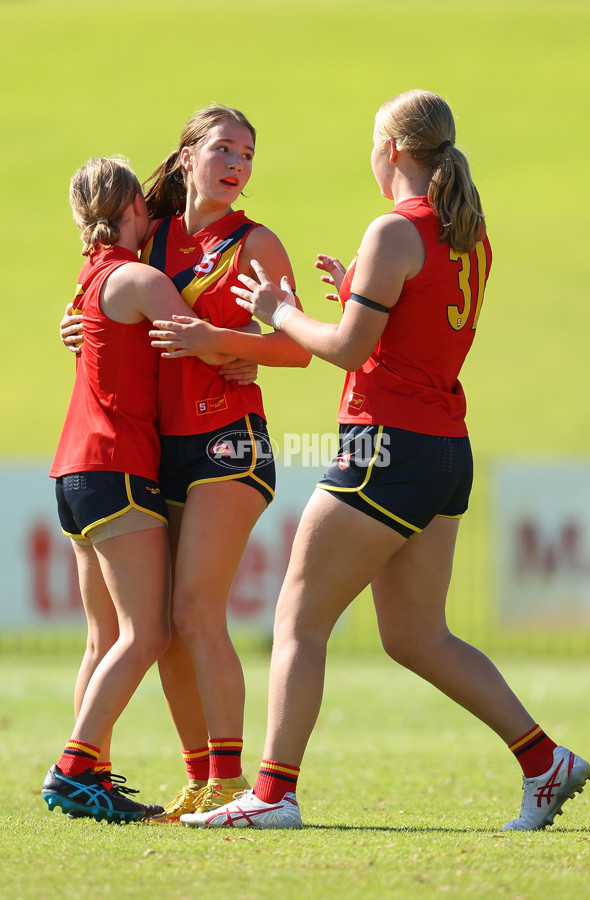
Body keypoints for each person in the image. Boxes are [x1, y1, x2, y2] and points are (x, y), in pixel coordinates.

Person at [174, 90, 590, 831]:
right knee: (415, 635)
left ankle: (272, 795)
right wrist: (352, 300)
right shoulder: (468, 228)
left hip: (385, 448)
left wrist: (279, 311)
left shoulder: (395, 229)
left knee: (298, 618)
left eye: (373, 143)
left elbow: (344, 350)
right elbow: (412, 327)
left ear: (392, 150)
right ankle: (544, 760)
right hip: (445, 450)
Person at [59, 106, 310, 823]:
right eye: (224, 148)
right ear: (189, 155)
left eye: (248, 154)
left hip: (231, 443)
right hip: (160, 451)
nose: (237, 163)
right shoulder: (154, 234)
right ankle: (201, 776)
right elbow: (104, 298)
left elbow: (295, 347)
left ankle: (232, 782)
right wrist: (69, 322)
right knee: (164, 624)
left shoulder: (256, 243)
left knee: (196, 610)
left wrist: (228, 347)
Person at [42, 156, 232, 823]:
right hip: (117, 466)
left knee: (102, 640)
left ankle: (92, 775)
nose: (154, 217)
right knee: (147, 634)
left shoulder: (89, 277)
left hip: (74, 472)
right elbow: (200, 340)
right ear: (127, 210)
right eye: (144, 208)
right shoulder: (141, 277)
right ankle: (72, 770)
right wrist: (250, 342)